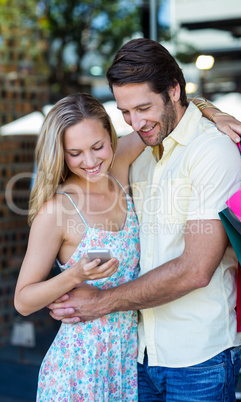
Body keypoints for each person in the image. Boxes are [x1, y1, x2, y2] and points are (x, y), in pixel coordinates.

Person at [48, 39, 241, 401]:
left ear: (174, 90)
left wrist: (101, 301)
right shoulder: (140, 150)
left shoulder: (211, 152)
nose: (135, 122)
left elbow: (196, 269)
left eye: (143, 107)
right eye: (125, 112)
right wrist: (208, 107)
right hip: (138, 357)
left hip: (199, 361)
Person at [14, 93, 145, 401]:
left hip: (129, 365)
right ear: (61, 154)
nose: (90, 161)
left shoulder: (120, 167)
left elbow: (168, 117)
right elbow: (23, 300)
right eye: (75, 153)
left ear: (111, 137)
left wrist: (216, 115)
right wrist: (73, 276)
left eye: (98, 147)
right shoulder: (58, 210)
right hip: (78, 370)